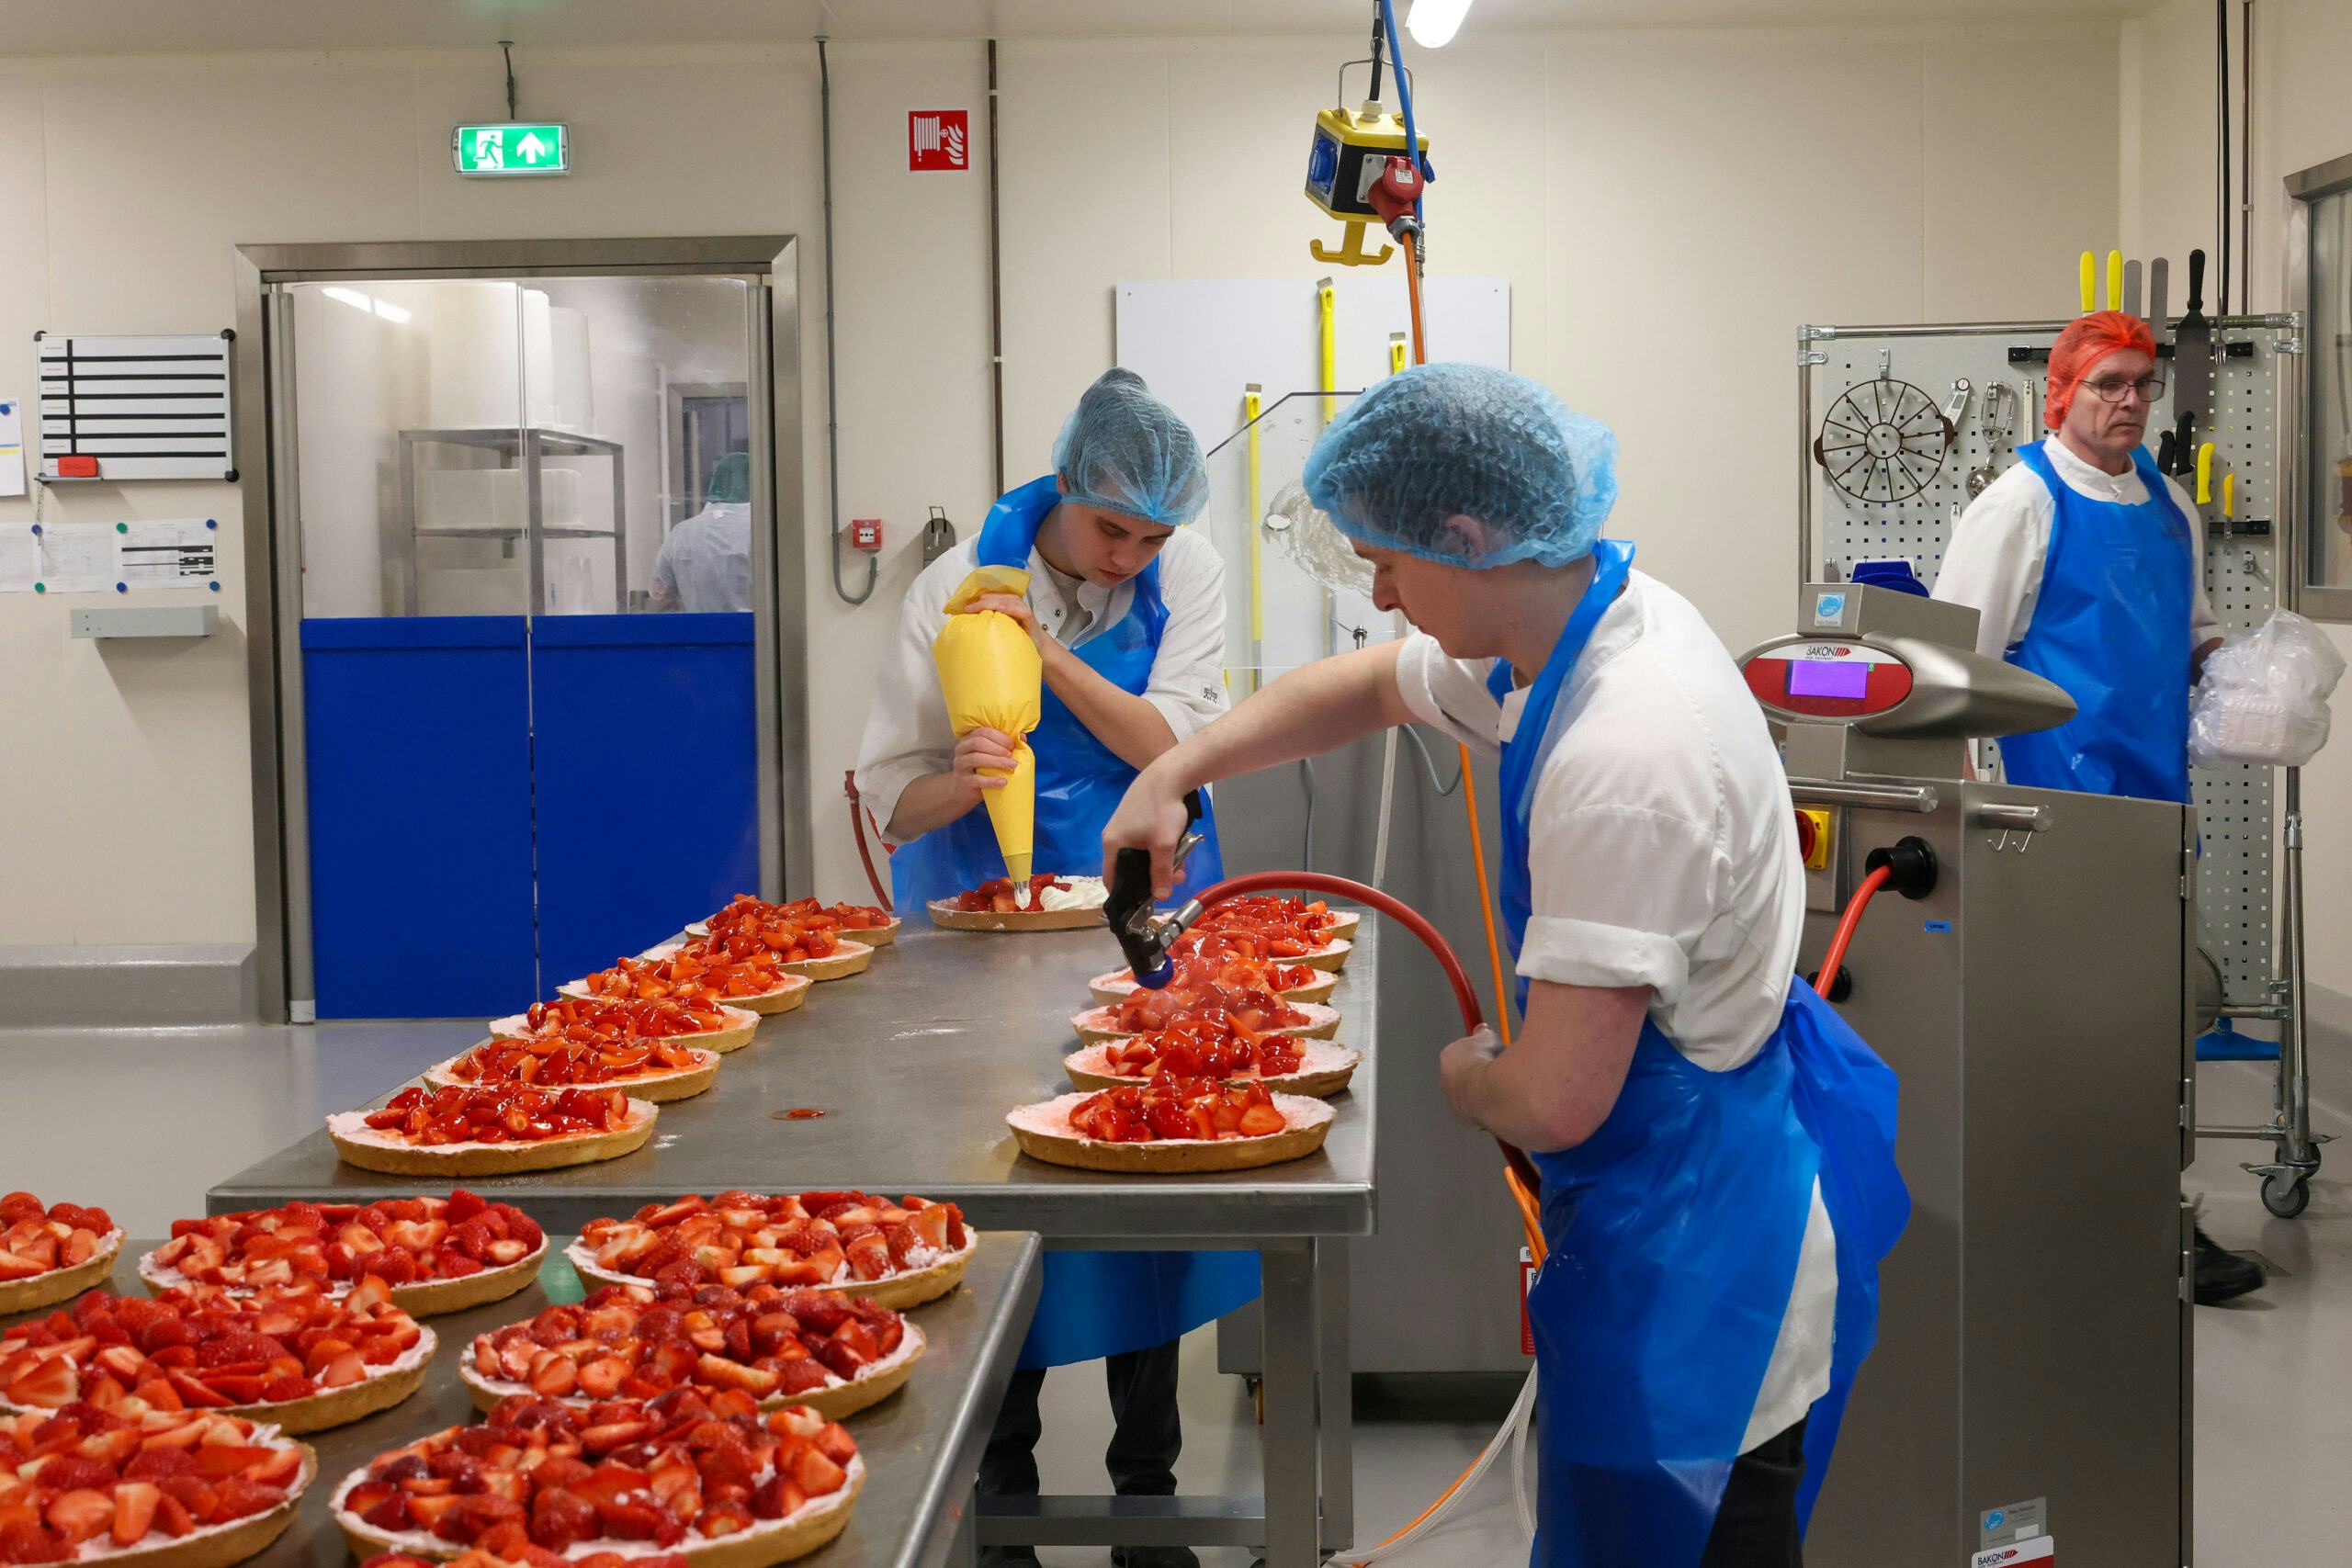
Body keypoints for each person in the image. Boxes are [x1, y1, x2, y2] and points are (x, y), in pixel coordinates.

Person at [1102, 364, 1908, 1568]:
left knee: (1693, 1536)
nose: (1377, 592)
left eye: (1387, 559)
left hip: (1703, 1259)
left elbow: (1554, 1096)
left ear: (1471, 536)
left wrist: (1469, 1072)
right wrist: (1176, 770)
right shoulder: (1573, 632)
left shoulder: (1627, 747)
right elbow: (1370, 684)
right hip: (1661, 1196)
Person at [854, 367, 1250, 1568]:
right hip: (981, 933)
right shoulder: (949, 586)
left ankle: (1149, 1499)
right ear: (1062, 485)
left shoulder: (1189, 572)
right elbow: (892, 803)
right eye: (1108, 526)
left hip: (1141, 918)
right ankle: (1003, 1492)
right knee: (992, 1189)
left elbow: (1175, 746)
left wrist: (1048, 663)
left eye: (1151, 532)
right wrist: (966, 776)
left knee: (1148, 1191)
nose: (1130, 554)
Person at [1932, 310, 2262, 1306]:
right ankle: (2042, 1228)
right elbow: (1955, 662)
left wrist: (2245, 676)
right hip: (2048, 814)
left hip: (2154, 813)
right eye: (2107, 383)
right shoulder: (2019, 505)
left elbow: (2191, 631)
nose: (2127, 401)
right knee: (2055, 1033)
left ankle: (2159, 1223)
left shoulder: (2169, 506)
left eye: (2141, 384)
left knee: (2149, 1032)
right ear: (2061, 392)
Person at [650, 450, 753, 612]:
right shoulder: (761, 532)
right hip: (757, 634)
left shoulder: (682, 533)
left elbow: (659, 598)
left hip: (698, 634)